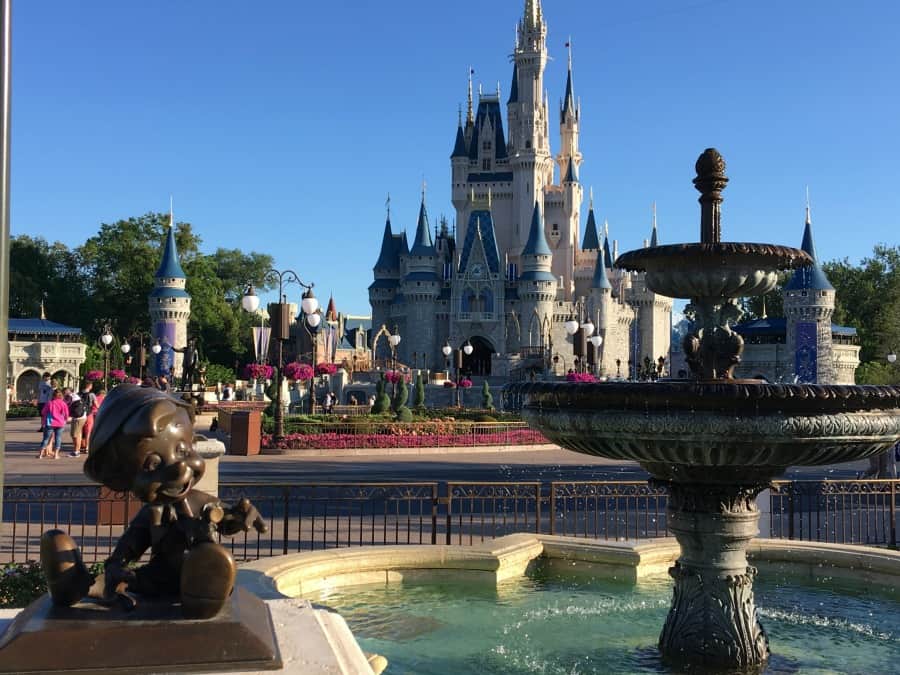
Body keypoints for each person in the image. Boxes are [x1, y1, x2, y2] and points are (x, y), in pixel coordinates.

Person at [38, 389, 69, 459]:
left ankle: (40, 455)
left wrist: (44, 419)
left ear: (53, 395)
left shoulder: (49, 403)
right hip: (60, 423)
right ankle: (56, 455)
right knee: (58, 438)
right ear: (61, 396)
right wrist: (65, 420)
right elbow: (66, 414)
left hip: (50, 423)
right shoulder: (63, 403)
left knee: (45, 439)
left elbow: (43, 412)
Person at [65, 388, 88, 457]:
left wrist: (71, 416)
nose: (65, 393)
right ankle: (77, 450)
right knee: (78, 434)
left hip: (78, 418)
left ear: (71, 392)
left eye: (66, 391)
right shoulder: (75, 396)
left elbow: (77, 411)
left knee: (74, 435)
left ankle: (76, 451)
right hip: (81, 417)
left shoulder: (73, 397)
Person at [79, 382, 99, 450]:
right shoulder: (92, 394)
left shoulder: (79, 394)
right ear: (89, 386)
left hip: (80, 415)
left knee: (80, 431)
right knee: (88, 431)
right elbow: (96, 405)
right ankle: (87, 447)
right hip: (88, 414)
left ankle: (79, 446)